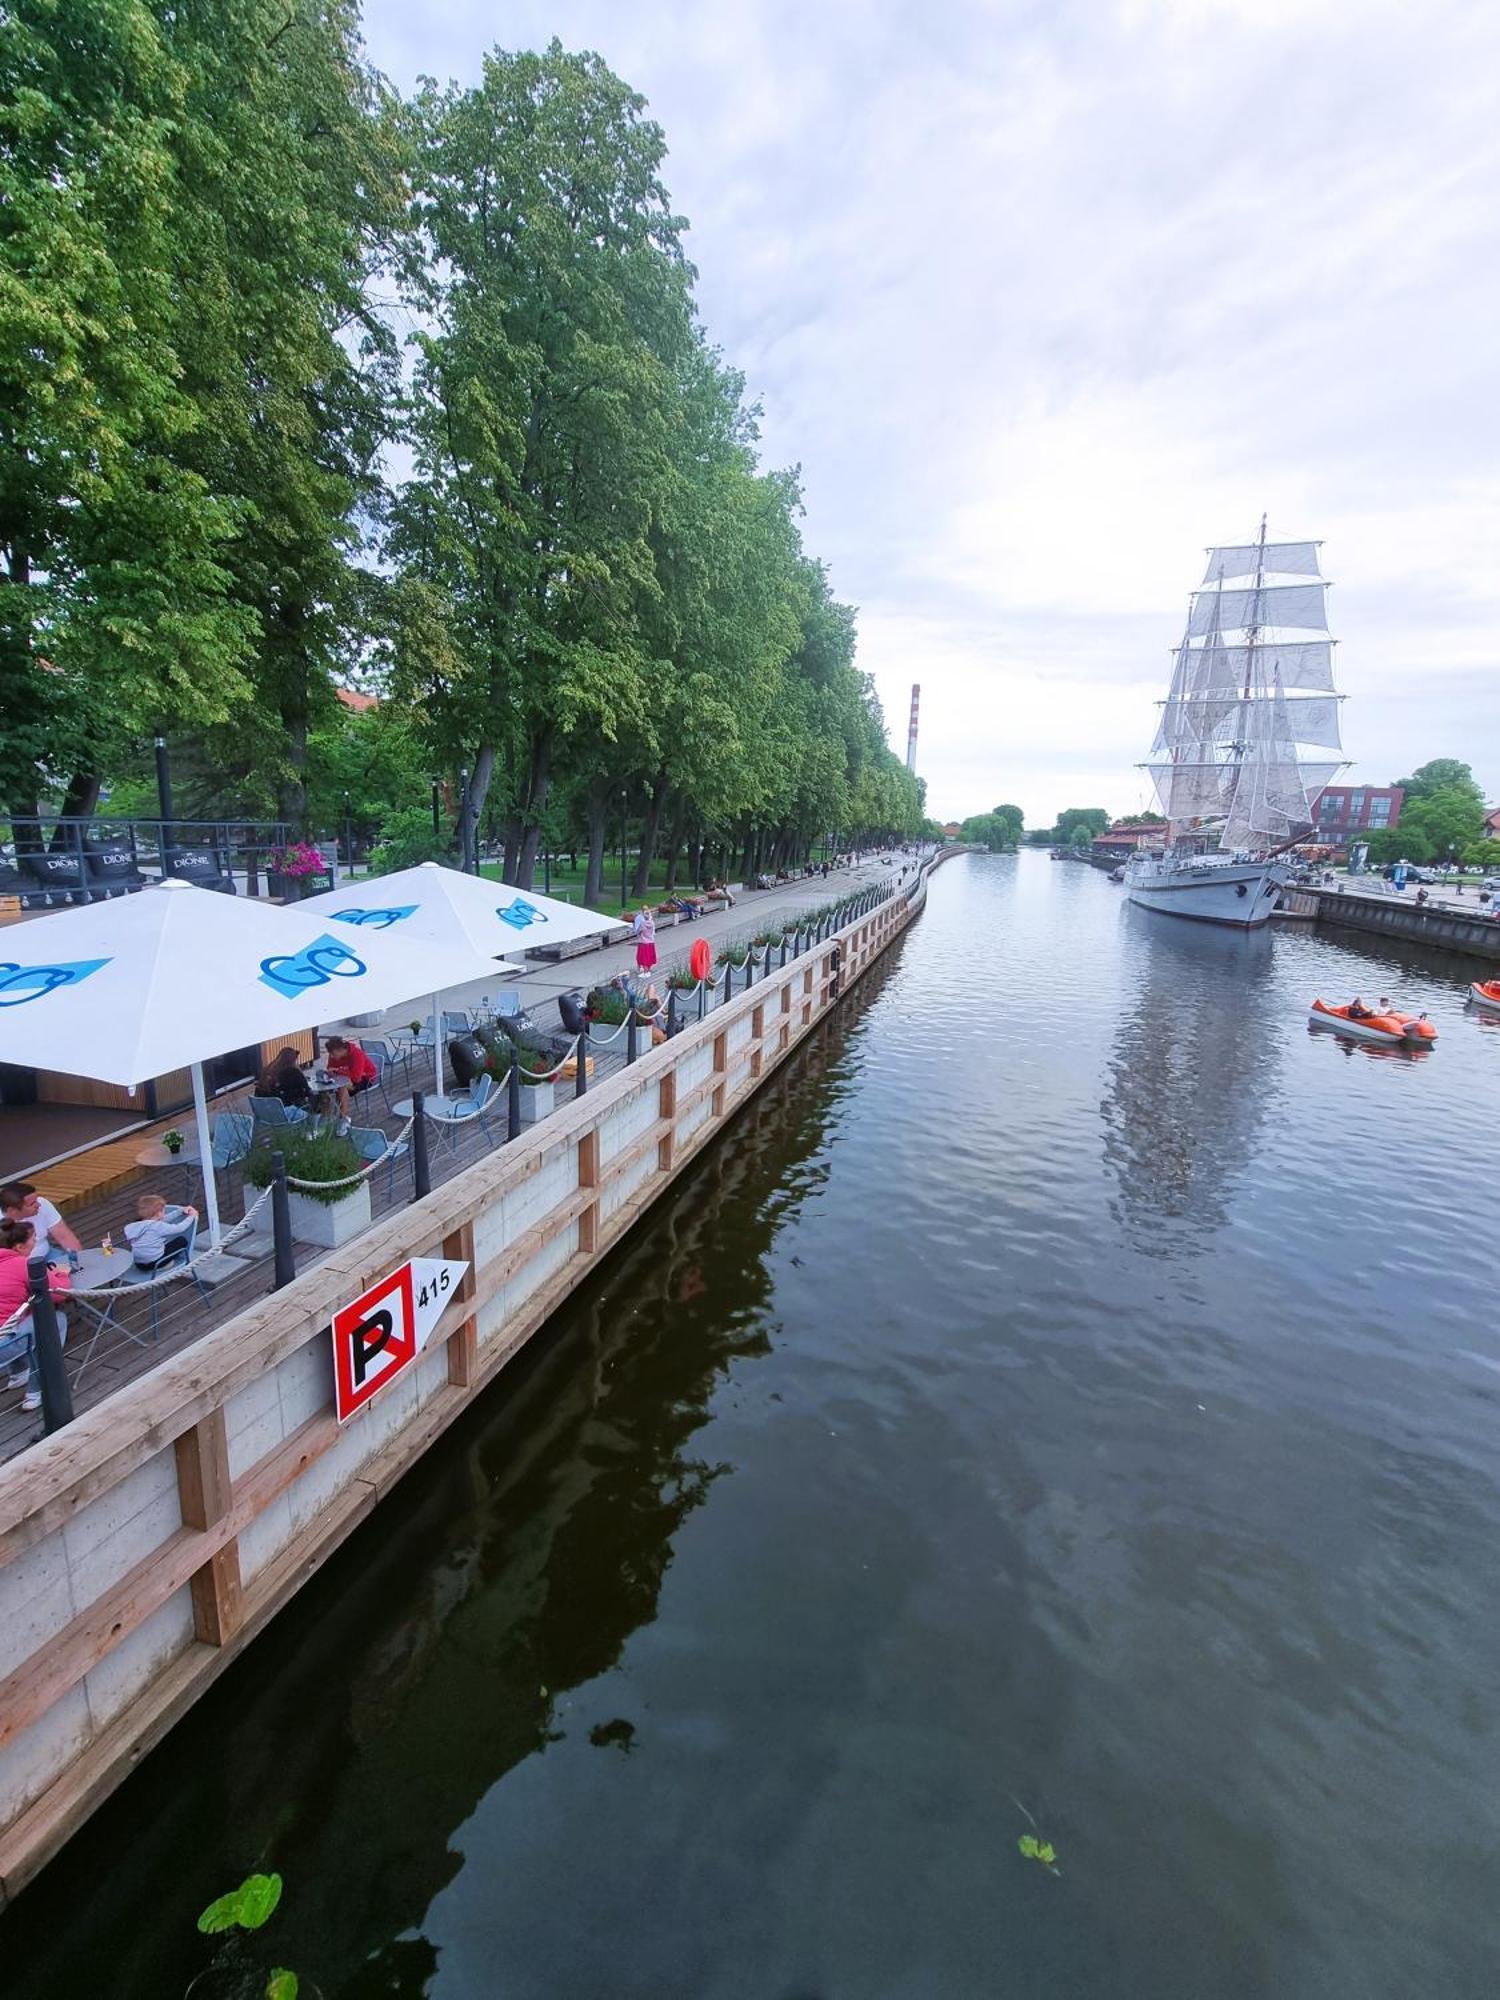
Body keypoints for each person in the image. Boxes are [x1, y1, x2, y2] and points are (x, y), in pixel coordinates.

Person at [0, 1216, 70, 1412]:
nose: (36, 1242)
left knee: (14, 1320)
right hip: (4, 1345)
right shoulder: (22, 1265)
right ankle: (35, 1391)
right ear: (20, 1247)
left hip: (5, 1336)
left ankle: (18, 1373)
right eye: (33, 1239)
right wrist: (62, 1274)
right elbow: (57, 1294)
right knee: (53, 1322)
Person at [0, 1182, 82, 1266]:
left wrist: (80, 1261)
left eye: (36, 1200)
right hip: (15, 1265)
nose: (38, 1204)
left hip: (47, 1255)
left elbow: (65, 1237)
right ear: (12, 1211)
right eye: (32, 1204)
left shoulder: (42, 1204)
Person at [124, 1194, 198, 1270]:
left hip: (139, 1264)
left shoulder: (136, 1225)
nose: (164, 1212)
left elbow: (163, 1220)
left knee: (153, 1246)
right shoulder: (157, 1226)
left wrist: (180, 1211)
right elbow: (180, 1228)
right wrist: (192, 1216)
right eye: (163, 1210)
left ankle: (158, 1262)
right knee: (181, 1241)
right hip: (155, 1263)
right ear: (159, 1213)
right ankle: (162, 1266)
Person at [322, 1035, 378, 1133]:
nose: (331, 1056)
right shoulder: (333, 1056)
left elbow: (356, 1078)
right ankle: (326, 1118)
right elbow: (330, 1068)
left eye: (333, 1053)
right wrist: (331, 1072)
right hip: (344, 1078)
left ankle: (343, 1119)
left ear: (340, 1050)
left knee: (342, 1088)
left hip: (366, 1078)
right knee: (325, 1090)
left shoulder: (357, 1054)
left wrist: (338, 1071)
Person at [254, 1047, 314, 1111]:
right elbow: (307, 1090)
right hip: (285, 1111)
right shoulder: (294, 1071)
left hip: (265, 1112)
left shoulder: (267, 1070)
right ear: (292, 1060)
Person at [631, 904, 657, 975]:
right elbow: (653, 931)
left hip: (643, 942)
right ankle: (648, 969)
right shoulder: (651, 922)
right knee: (649, 956)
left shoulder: (642, 923)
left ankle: (643, 969)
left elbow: (637, 931)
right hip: (651, 941)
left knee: (641, 956)